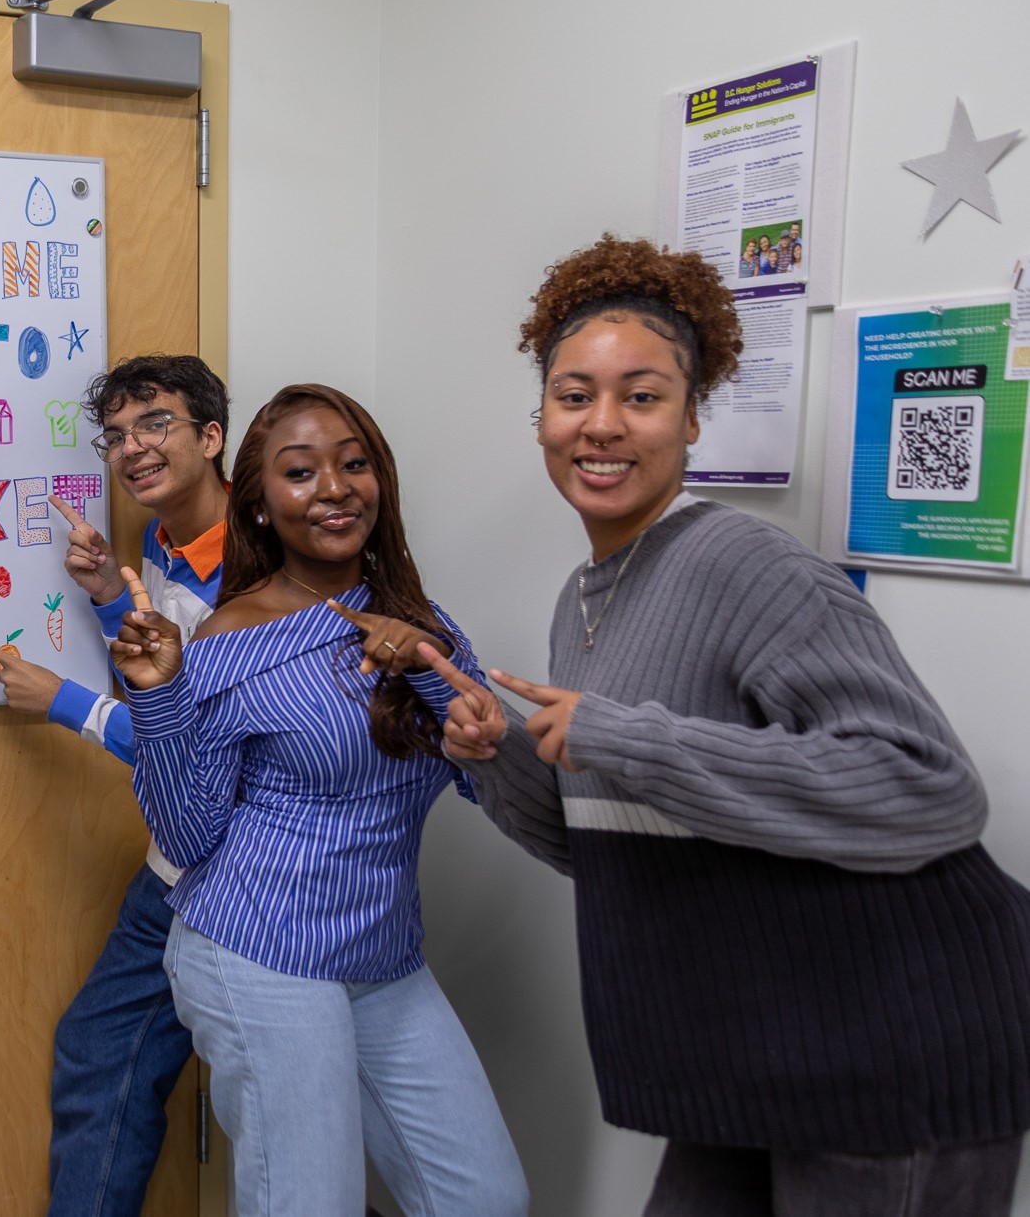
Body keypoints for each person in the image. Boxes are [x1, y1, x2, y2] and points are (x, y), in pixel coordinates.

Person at [428, 235, 1030, 1216]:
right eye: (574, 396)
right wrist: (496, 750)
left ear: (692, 417)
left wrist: (626, 736)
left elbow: (927, 787)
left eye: (642, 395)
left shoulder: (740, 559)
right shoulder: (583, 598)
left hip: (892, 1047)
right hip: (752, 1054)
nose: (602, 425)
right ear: (539, 417)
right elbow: (622, 842)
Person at [110, 384, 527, 1217]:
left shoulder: (421, 621)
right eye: (300, 472)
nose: (335, 487)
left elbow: (491, 783)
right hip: (256, 952)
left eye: (354, 463)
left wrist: (437, 681)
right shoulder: (231, 636)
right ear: (260, 504)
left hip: (382, 956)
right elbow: (188, 833)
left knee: (485, 1199)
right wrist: (157, 693)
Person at [0, 354, 230, 1216]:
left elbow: (203, 743)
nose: (131, 448)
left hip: (240, 875)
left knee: (268, 1102)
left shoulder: (260, 568)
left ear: (213, 436)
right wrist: (107, 599)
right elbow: (161, 679)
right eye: (116, 434)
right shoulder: (157, 544)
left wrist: (64, 703)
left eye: (155, 424)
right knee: (98, 1050)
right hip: (174, 867)